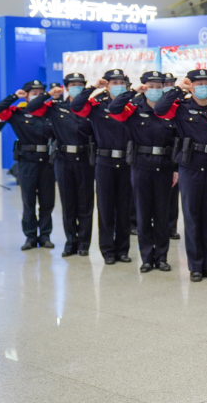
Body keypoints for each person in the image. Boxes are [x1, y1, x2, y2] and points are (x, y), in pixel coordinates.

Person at [155, 69, 207, 282]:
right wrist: (178, 89)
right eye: (198, 82)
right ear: (192, 85)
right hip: (190, 168)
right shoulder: (182, 107)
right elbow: (160, 109)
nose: (203, 85)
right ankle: (196, 266)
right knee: (192, 217)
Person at [108, 70, 178, 273]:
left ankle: (162, 257)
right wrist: (132, 92)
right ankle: (147, 258)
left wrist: (175, 169)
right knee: (144, 214)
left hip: (165, 167)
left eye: (159, 87)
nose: (155, 90)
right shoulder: (133, 108)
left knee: (162, 214)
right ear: (144, 86)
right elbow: (113, 109)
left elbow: (177, 141)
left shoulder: (171, 110)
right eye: (151, 86)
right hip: (141, 167)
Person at [26, 73, 94, 257]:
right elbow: (31, 108)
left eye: (80, 84)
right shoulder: (56, 107)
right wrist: (48, 94)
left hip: (86, 159)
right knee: (68, 203)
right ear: (65, 87)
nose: (76, 87)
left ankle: (84, 244)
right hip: (63, 160)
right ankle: (71, 242)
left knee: (85, 204)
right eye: (72, 84)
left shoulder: (90, 107)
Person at [72, 69, 133, 265]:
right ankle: (107, 251)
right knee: (106, 208)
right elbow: (76, 106)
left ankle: (123, 250)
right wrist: (91, 88)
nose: (118, 85)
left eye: (121, 81)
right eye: (113, 81)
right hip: (104, 162)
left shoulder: (131, 104)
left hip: (127, 162)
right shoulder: (97, 104)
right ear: (106, 84)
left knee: (124, 208)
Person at [0, 79, 56, 250]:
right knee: (28, 201)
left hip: (47, 162)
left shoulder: (50, 112)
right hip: (27, 162)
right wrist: (14, 96)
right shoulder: (18, 112)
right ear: (27, 95)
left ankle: (45, 236)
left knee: (47, 202)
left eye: (40, 92)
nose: (38, 95)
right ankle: (30, 237)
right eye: (34, 92)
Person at [163, 72, 181, 240]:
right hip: (149, 158)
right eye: (166, 83)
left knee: (172, 197)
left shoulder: (178, 104)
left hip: (171, 156)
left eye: (171, 83)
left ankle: (171, 227)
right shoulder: (158, 105)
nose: (168, 86)